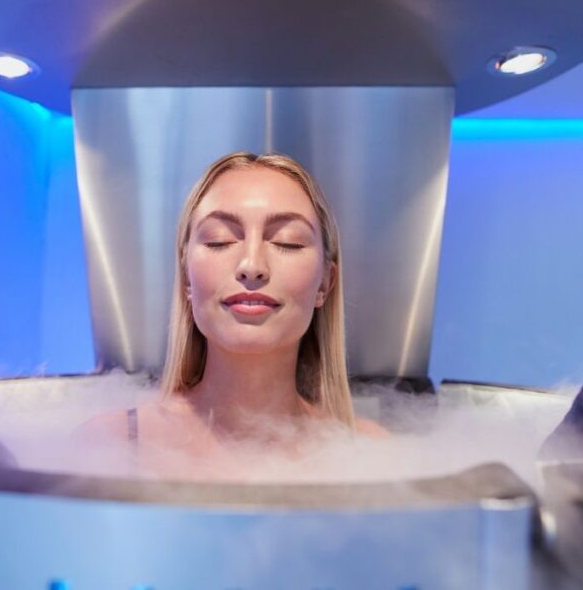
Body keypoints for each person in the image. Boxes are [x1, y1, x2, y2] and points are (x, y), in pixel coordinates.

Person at [71, 151, 388, 480]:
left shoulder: (371, 455)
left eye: (288, 242)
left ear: (325, 283)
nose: (251, 265)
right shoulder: (108, 445)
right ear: (186, 278)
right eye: (219, 241)